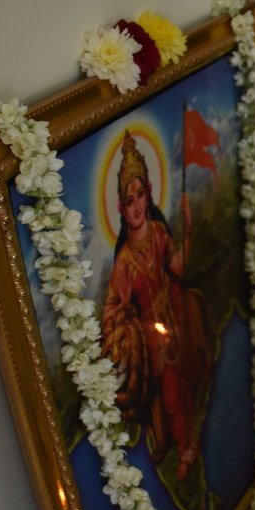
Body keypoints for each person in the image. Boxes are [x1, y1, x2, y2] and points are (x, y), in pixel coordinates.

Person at [102, 131, 212, 481]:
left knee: (189, 375)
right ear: (120, 208)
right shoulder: (123, 262)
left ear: (149, 193)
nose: (136, 205)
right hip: (152, 334)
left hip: (176, 311)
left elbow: (176, 269)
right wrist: (127, 321)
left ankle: (191, 438)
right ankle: (185, 448)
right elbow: (111, 311)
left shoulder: (159, 232)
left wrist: (189, 230)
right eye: (129, 200)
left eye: (140, 195)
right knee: (168, 393)